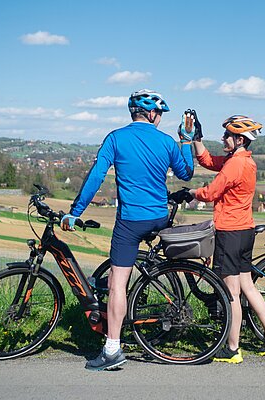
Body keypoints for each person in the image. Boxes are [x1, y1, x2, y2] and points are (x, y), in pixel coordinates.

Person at [60, 89, 195, 371]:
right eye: (160, 114)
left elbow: (96, 176)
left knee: (117, 282)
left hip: (131, 221)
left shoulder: (116, 138)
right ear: (152, 113)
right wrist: (185, 140)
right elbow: (186, 173)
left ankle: (112, 349)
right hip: (159, 217)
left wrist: (75, 213)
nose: (160, 118)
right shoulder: (167, 141)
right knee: (136, 267)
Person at [187, 114, 265, 364]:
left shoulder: (235, 164)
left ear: (239, 139)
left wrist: (190, 193)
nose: (223, 138)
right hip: (244, 232)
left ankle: (232, 349)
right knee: (247, 287)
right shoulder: (243, 161)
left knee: (230, 294)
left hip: (230, 233)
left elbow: (211, 192)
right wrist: (196, 139)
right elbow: (209, 161)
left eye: (227, 136)